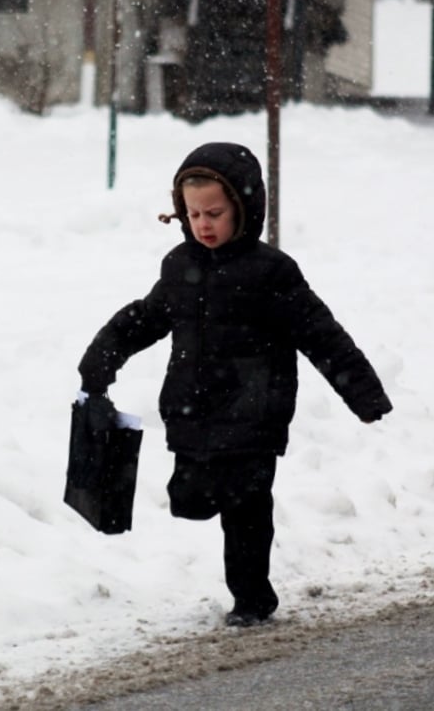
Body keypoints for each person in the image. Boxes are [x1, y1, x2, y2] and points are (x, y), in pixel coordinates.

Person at [77, 142, 392, 628]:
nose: (203, 224)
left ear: (243, 208)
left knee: (245, 509)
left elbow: (321, 334)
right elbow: (144, 319)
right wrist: (99, 362)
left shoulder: (271, 273)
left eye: (215, 213)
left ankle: (251, 598)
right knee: (193, 499)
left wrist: (363, 393)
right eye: (193, 213)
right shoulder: (179, 267)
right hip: (193, 411)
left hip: (254, 412)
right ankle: (235, 560)